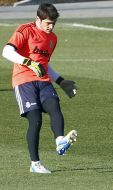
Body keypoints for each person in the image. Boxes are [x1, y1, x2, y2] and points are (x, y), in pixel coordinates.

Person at [2, 3, 78, 174]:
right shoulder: (25, 30)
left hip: (43, 80)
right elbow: (6, 51)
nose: (50, 27)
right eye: (47, 23)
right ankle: (35, 163)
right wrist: (28, 62)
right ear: (38, 19)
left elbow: (45, 64)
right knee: (35, 120)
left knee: (54, 106)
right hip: (23, 81)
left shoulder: (53, 39)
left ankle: (60, 140)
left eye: (53, 24)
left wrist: (61, 81)